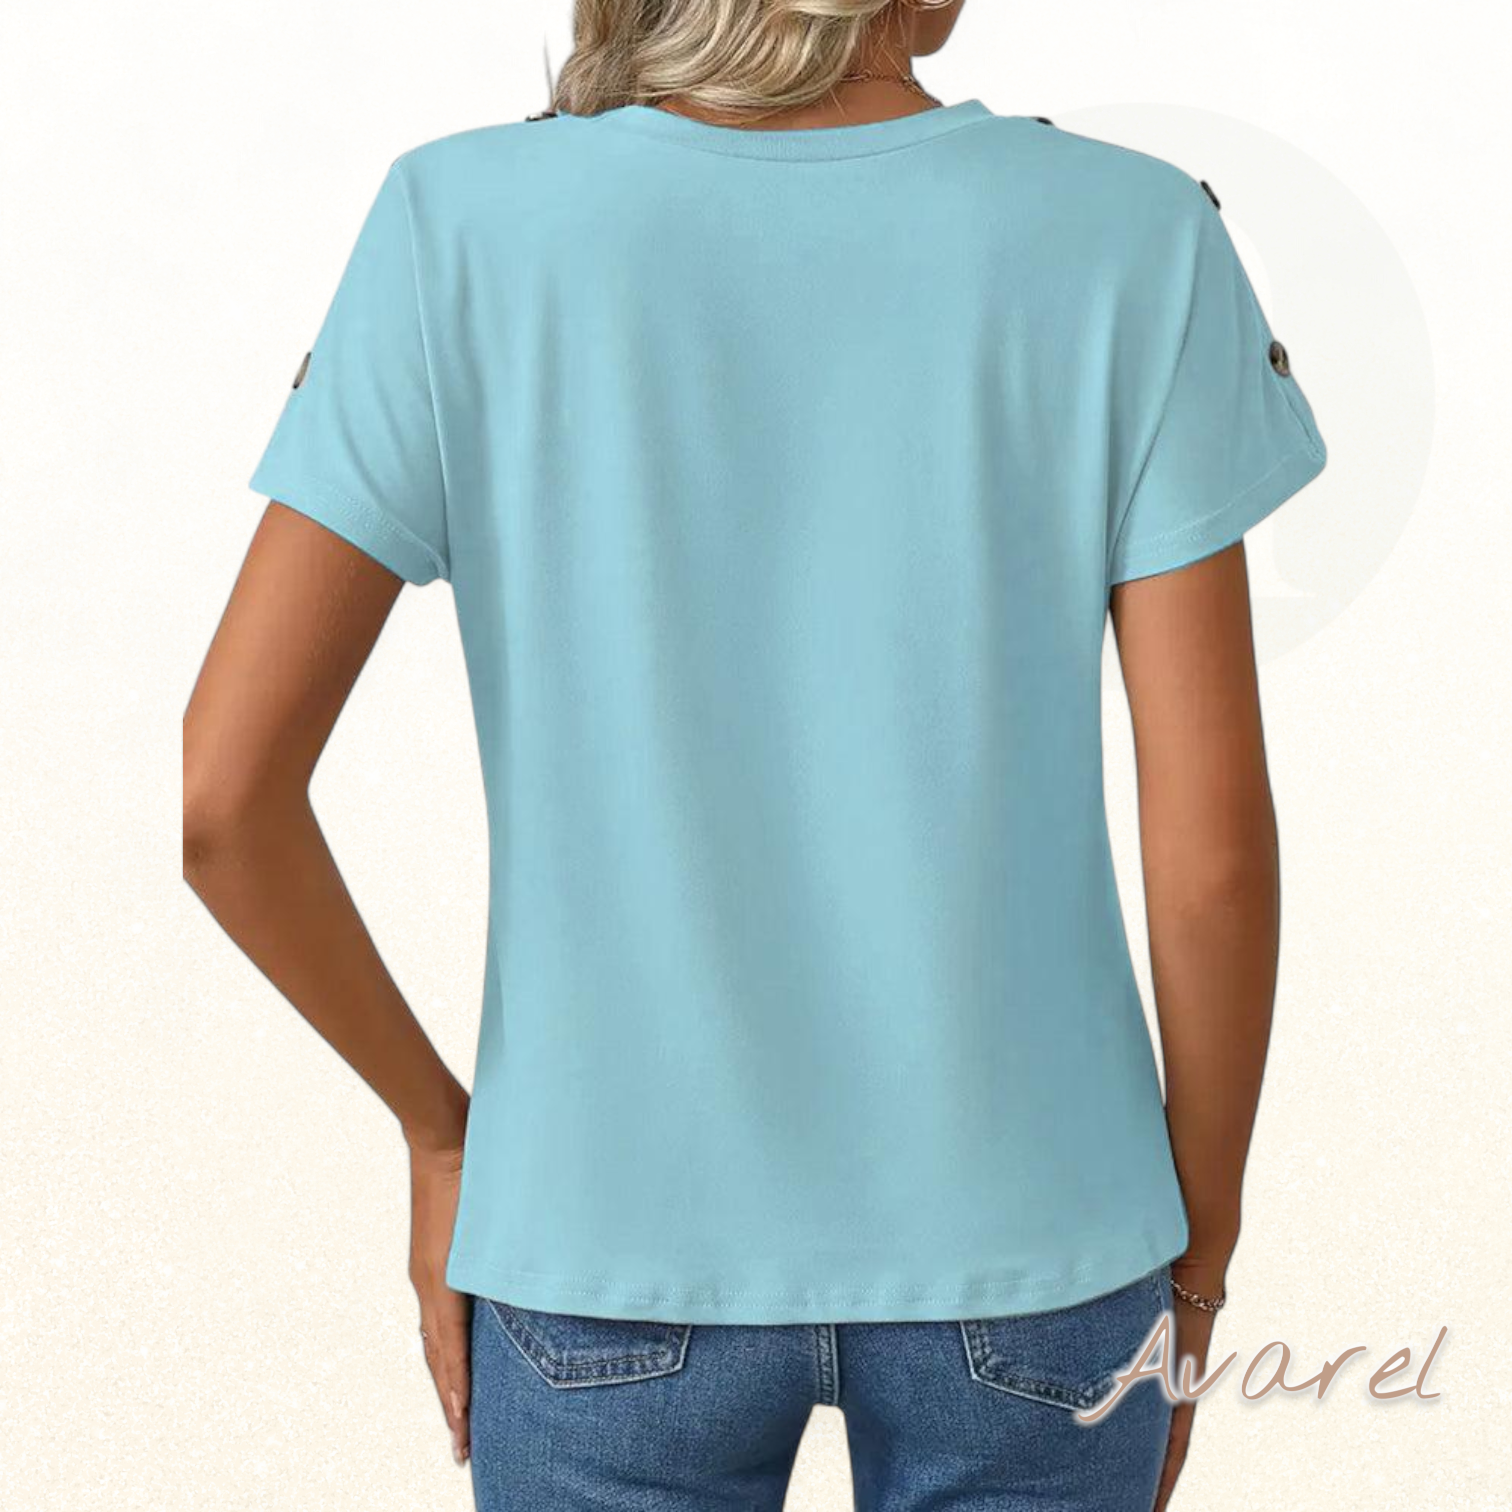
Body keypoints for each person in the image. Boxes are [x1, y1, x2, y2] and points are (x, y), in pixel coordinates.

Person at [182, 1, 1328, 1507]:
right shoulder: (1133, 233)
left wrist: (443, 1134)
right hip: (1043, 1243)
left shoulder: (458, 223)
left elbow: (224, 801)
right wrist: (1205, 1242)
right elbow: (1213, 855)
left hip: (598, 1239)